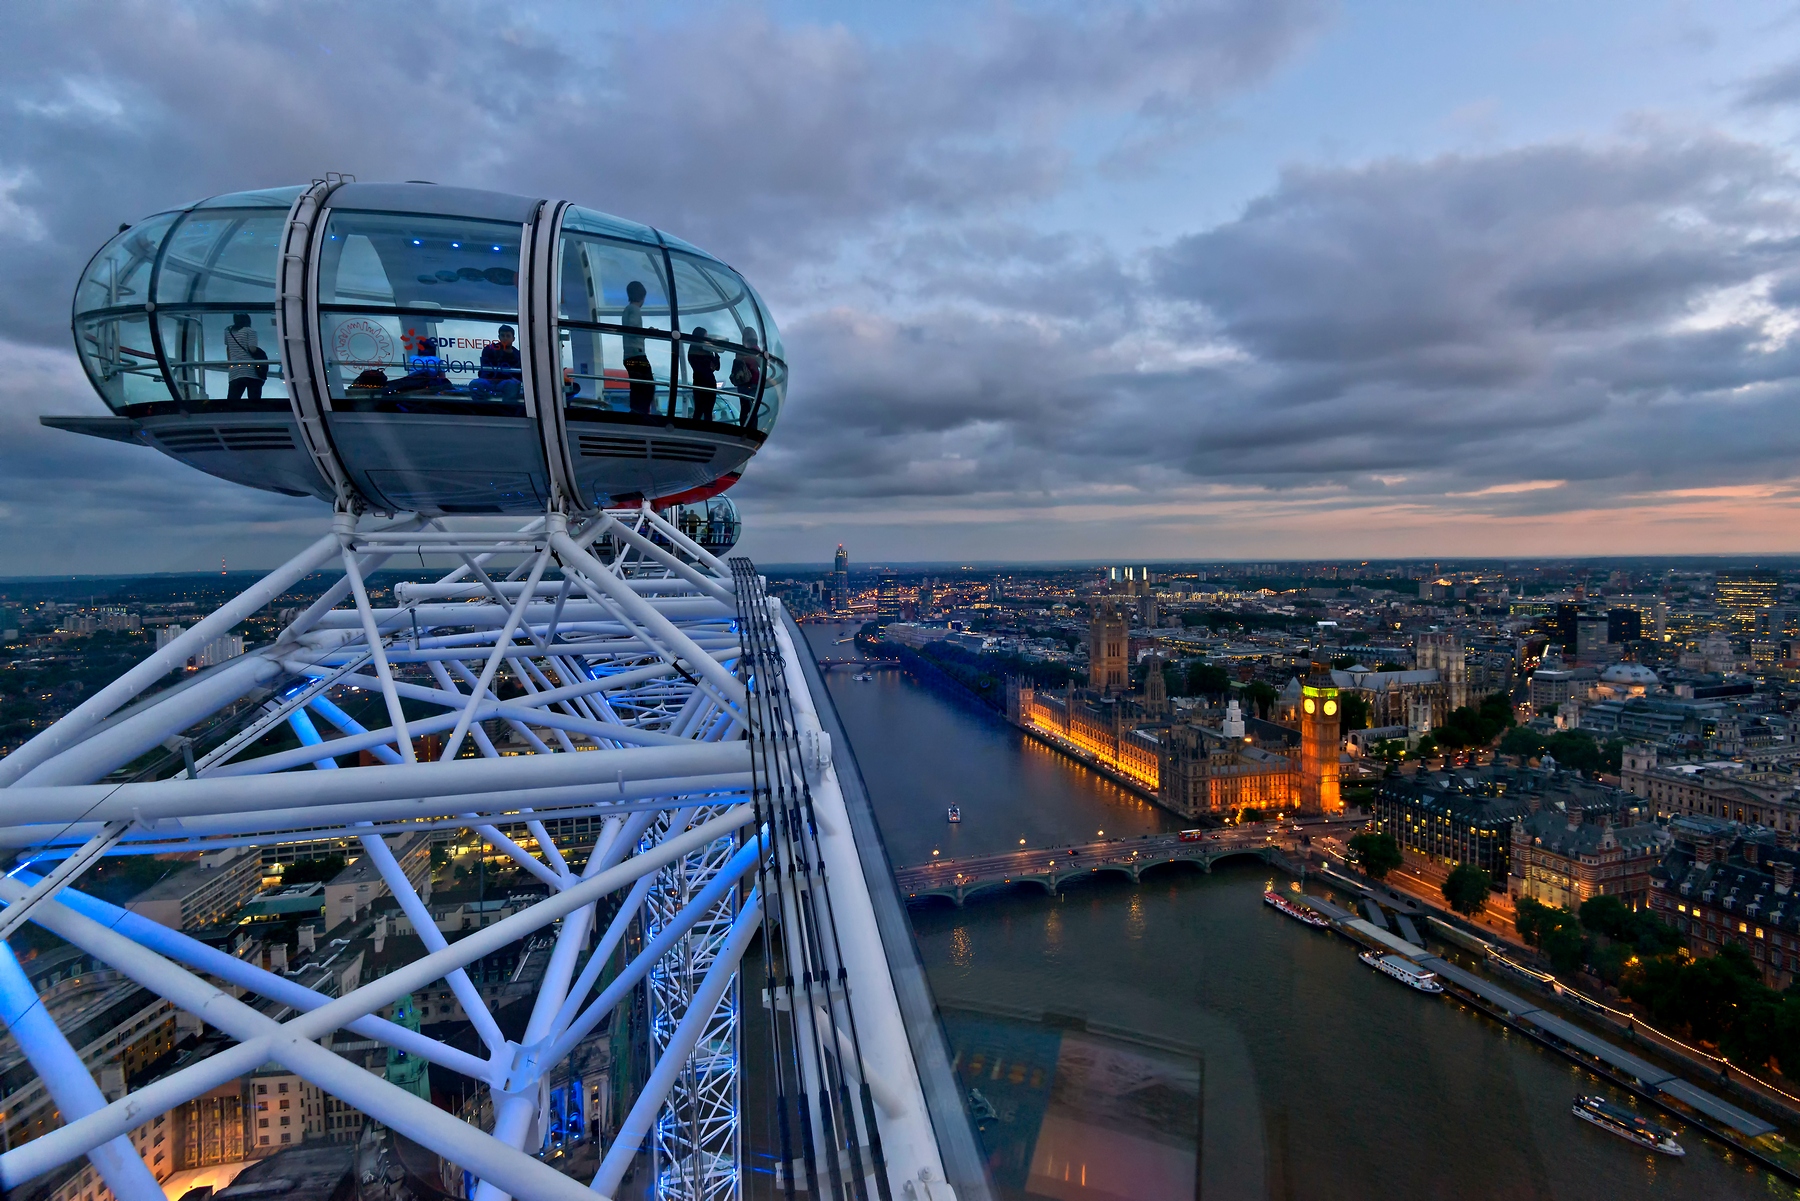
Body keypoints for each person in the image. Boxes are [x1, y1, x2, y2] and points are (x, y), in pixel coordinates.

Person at [621, 280, 655, 415]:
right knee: (648, 387)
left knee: (637, 387)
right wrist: (648, 332)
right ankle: (641, 415)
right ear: (642, 296)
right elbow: (634, 329)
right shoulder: (634, 310)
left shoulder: (627, 310)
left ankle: (636, 413)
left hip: (629, 355)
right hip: (637, 354)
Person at [223, 313, 265, 403]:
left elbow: (228, 348)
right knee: (254, 402)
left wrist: (230, 362)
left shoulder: (228, 331)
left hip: (235, 371)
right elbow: (252, 349)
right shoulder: (250, 331)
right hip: (251, 371)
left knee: (232, 401)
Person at [476, 323, 522, 400]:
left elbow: (518, 377)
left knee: (511, 385)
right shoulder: (489, 350)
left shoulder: (517, 355)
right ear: (499, 337)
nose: (505, 338)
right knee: (475, 384)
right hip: (489, 381)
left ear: (513, 339)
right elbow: (486, 369)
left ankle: (508, 410)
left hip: (506, 383)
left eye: (508, 336)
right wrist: (508, 377)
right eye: (502, 335)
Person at [686, 327, 721, 422]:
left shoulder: (705, 351)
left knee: (705, 410)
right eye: (705, 336)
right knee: (701, 410)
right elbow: (707, 368)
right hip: (704, 382)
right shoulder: (696, 352)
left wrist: (715, 352)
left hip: (705, 382)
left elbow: (716, 367)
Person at [730, 327, 762, 427]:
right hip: (754, 382)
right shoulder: (756, 350)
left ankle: (744, 429)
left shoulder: (740, 350)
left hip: (743, 383)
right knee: (752, 409)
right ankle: (751, 429)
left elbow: (738, 363)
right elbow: (760, 364)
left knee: (745, 409)